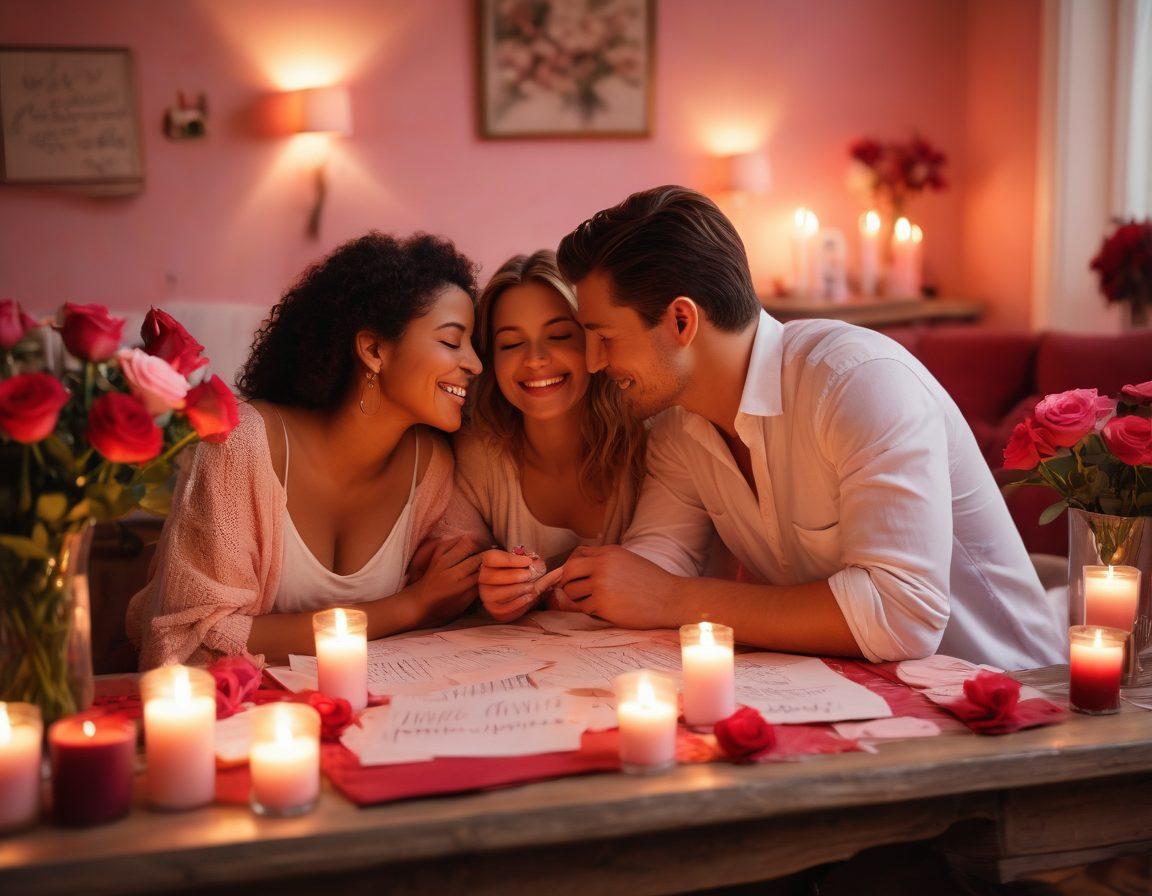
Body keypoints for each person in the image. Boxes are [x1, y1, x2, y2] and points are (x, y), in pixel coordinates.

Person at [553, 186, 1064, 669]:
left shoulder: (857, 382)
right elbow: (651, 573)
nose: (594, 363)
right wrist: (575, 584)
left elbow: (903, 615)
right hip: (860, 702)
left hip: (1013, 698)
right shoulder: (677, 426)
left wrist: (668, 598)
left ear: (680, 322)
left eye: (604, 336)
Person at [128, 232, 485, 668]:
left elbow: (466, 573)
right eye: (452, 341)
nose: (474, 363)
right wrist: (407, 607)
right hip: (246, 723)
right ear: (374, 349)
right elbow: (189, 638)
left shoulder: (430, 464)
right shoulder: (242, 448)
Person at [442, 251, 647, 622]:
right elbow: (461, 578)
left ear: (593, 342)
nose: (535, 359)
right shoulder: (478, 455)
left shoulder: (647, 441)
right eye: (511, 343)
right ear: (491, 361)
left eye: (558, 335)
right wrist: (490, 590)